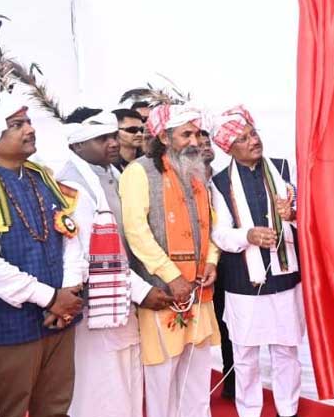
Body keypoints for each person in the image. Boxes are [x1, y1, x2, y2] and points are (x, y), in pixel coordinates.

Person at [0, 93, 85, 417]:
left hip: (59, 320)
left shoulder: (42, 176)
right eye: (16, 125)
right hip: (6, 329)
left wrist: (68, 291)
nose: (29, 129)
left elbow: (69, 233)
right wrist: (50, 298)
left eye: (28, 122)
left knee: (55, 409)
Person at [56, 107, 174, 417]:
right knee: (103, 387)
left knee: (127, 381)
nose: (113, 143)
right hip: (97, 304)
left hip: (123, 295)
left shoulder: (111, 173)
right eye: (102, 138)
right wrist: (141, 291)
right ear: (77, 143)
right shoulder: (73, 186)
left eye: (112, 136)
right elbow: (91, 254)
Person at [120, 103, 220, 417]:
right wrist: (171, 275)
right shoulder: (139, 172)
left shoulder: (196, 170)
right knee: (162, 377)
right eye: (186, 134)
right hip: (164, 291)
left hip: (199, 291)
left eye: (197, 134)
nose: (195, 141)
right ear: (164, 137)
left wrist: (212, 260)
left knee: (197, 377)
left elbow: (211, 223)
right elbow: (136, 231)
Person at [210, 105, 302, 417]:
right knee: (245, 354)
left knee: (286, 350)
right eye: (244, 138)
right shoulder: (219, 182)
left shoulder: (283, 168)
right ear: (229, 149)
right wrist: (248, 235)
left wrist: (291, 214)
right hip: (243, 282)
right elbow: (220, 234)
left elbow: (309, 213)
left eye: (253, 134)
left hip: (285, 276)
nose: (254, 141)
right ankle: (249, 411)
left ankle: (287, 410)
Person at [113, 108, 146, 173]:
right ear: (115, 132)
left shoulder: (150, 159)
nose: (139, 134)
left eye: (141, 130)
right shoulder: (106, 164)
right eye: (132, 130)